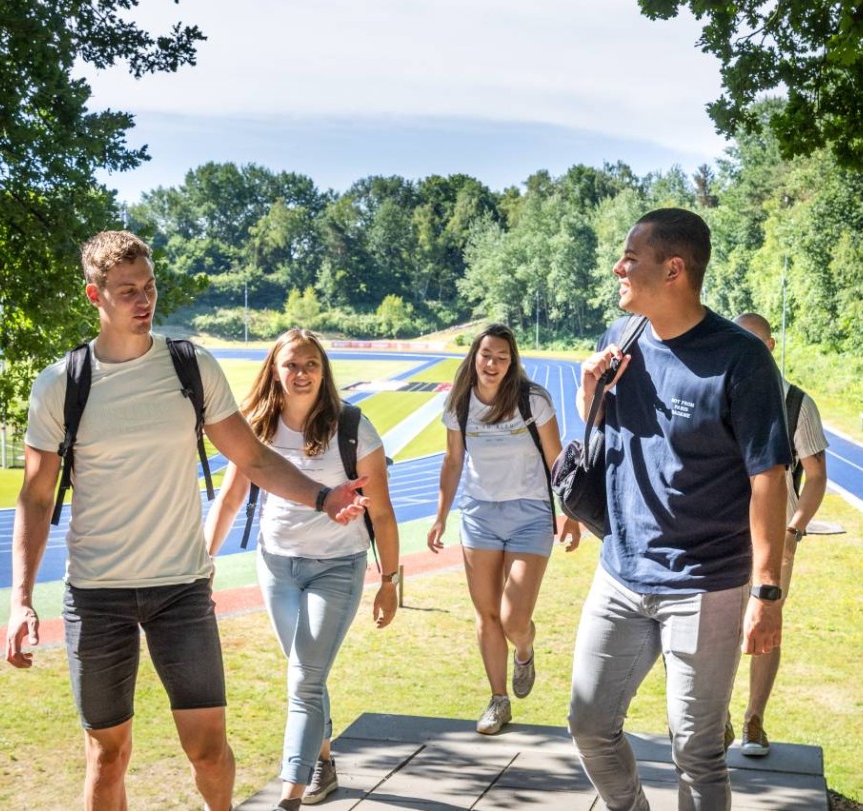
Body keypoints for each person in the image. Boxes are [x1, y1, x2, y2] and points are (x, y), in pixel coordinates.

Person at [4, 231, 370, 811]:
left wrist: (322, 497)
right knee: (107, 755)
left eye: (149, 287)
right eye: (127, 291)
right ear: (93, 295)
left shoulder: (189, 366)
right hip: (97, 595)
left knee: (208, 750)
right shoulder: (61, 385)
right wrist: (21, 598)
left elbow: (251, 457)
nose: (144, 300)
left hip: (181, 589)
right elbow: (35, 496)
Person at [566, 208, 793, 811]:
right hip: (621, 573)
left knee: (696, 750)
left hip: (707, 584)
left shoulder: (741, 360)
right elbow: (603, 442)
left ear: (673, 269)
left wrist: (766, 594)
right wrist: (590, 395)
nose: (618, 266)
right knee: (588, 723)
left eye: (630, 257)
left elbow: (769, 478)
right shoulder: (620, 340)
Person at [203, 328, 402, 809]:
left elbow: (382, 513)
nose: (301, 373)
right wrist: (202, 563)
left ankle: (290, 793)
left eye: (311, 364)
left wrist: (390, 581)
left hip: (337, 568)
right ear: (275, 368)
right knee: (305, 673)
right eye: (292, 364)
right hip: (275, 567)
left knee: (304, 679)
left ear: (324, 371)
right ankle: (325, 760)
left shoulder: (353, 428)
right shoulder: (256, 428)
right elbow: (230, 499)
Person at [426, 323, 580, 735]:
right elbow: (453, 461)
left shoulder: (533, 401)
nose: (492, 364)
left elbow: (557, 460)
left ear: (512, 363)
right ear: (474, 356)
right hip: (479, 515)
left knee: (514, 619)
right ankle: (498, 700)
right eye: (486, 355)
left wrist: (571, 512)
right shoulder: (459, 403)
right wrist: (441, 514)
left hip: (530, 514)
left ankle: (525, 649)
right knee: (487, 614)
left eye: (502, 357)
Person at [727, 312, 830, 758]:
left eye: (754, 344)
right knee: (714, 628)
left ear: (769, 348)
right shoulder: (719, 395)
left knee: (764, 629)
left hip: (775, 540)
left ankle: (754, 720)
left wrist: (793, 530)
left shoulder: (796, 405)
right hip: (722, 536)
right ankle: (717, 721)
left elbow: (817, 475)